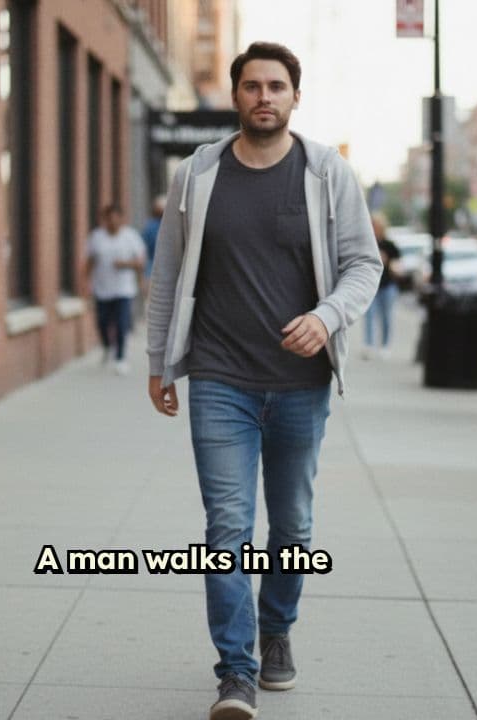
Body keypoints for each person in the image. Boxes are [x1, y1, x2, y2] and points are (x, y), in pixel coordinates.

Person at [145, 41, 380, 720]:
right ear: (235, 96)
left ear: (295, 97)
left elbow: (364, 264)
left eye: (277, 86)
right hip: (220, 379)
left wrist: (326, 317)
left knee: (293, 526)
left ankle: (276, 628)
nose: (265, 97)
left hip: (301, 384)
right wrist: (160, 362)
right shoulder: (197, 174)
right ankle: (236, 672)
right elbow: (167, 274)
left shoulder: (326, 172)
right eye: (253, 86)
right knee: (226, 527)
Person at [85, 204, 146, 375]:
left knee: (121, 323)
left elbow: (140, 263)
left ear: (121, 219)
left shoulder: (131, 237)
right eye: (108, 218)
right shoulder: (96, 238)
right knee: (102, 322)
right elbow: (89, 262)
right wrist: (85, 284)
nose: (112, 222)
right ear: (104, 219)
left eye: (115, 218)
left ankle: (121, 358)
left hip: (123, 290)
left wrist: (126, 265)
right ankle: (107, 346)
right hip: (102, 289)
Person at [363, 213, 402, 360]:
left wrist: (390, 263)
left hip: (387, 286)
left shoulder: (390, 245)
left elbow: (398, 265)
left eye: (377, 225)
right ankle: (369, 345)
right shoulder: (367, 244)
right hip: (370, 287)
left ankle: (385, 346)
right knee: (369, 316)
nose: (374, 228)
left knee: (386, 317)